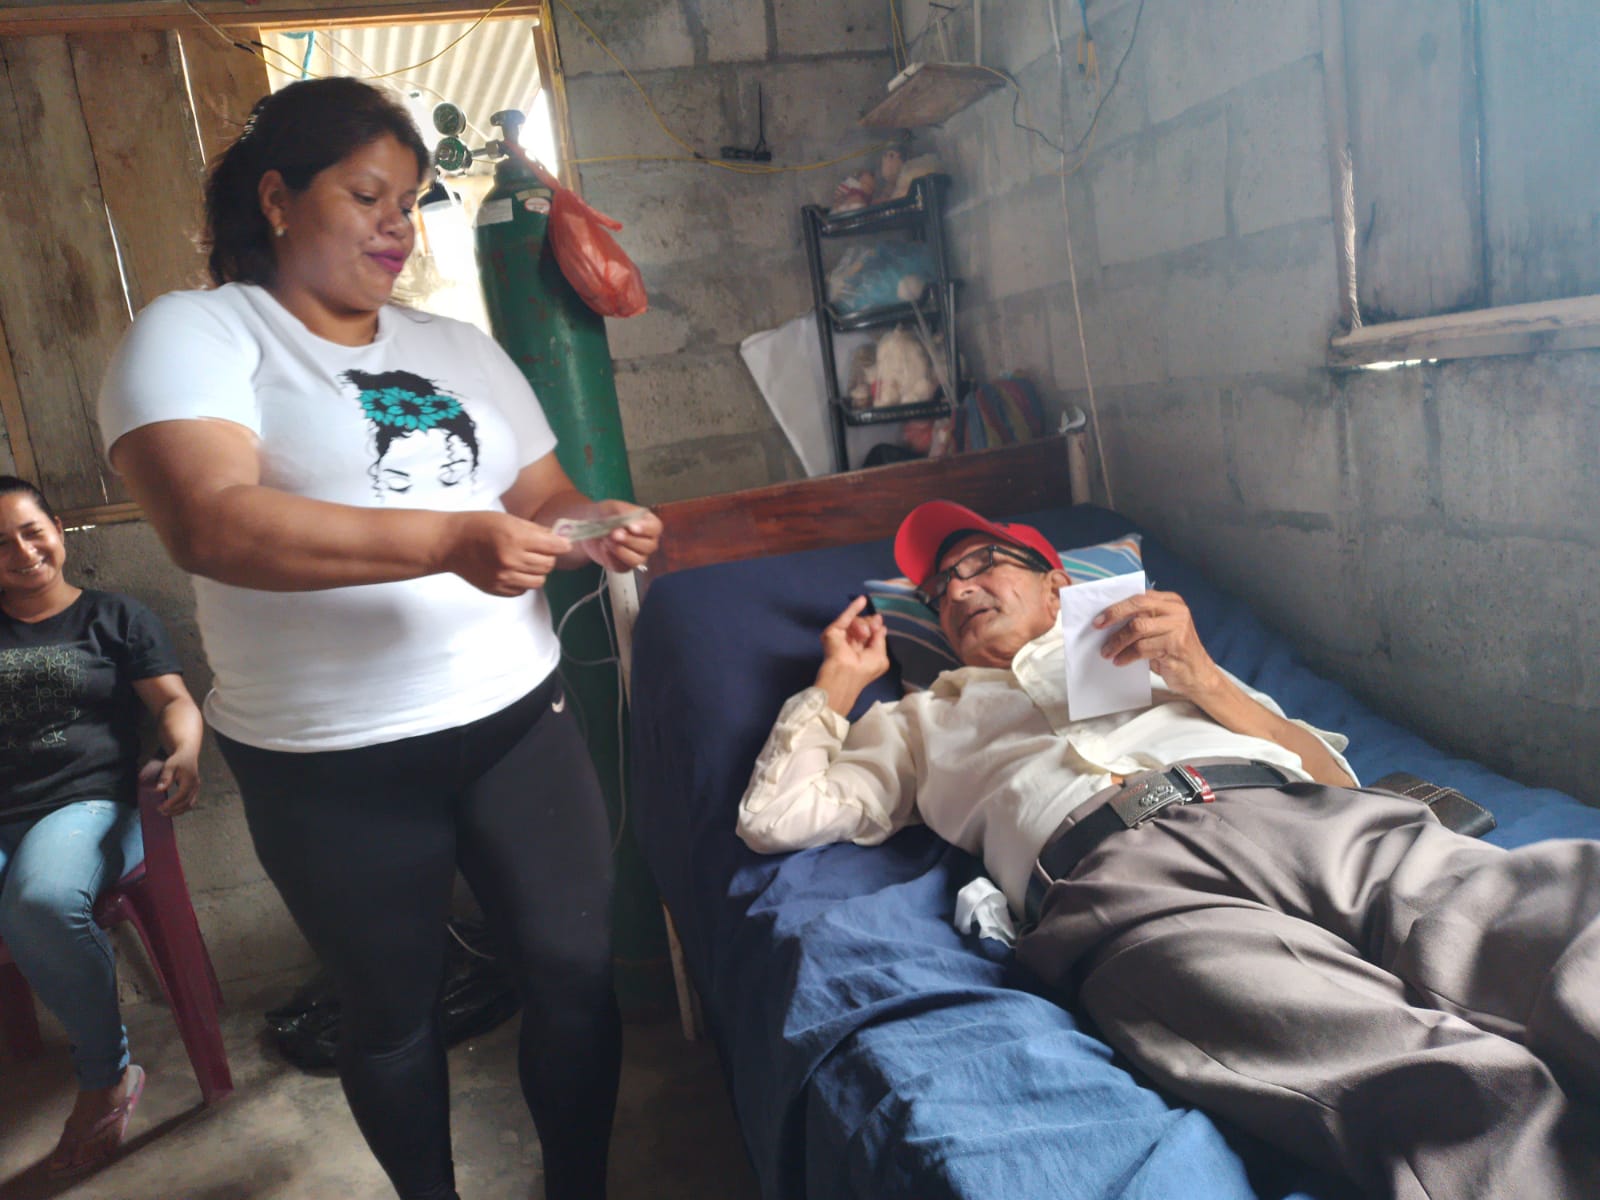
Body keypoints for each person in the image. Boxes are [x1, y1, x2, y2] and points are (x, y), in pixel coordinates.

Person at [96, 77, 660, 1200]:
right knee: (393, 1012)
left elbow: (540, 494)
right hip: (329, 758)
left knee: (572, 971)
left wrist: (590, 524)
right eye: (367, 197)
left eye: (408, 203)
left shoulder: (458, 348)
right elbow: (211, 522)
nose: (398, 227)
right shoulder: (199, 333)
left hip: (516, 718)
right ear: (276, 198)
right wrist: (447, 539)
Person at [737, 499, 1600, 1200]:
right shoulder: (918, 719)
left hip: (1298, 815)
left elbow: (1332, 773)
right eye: (939, 590)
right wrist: (836, 685)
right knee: (1425, 1084)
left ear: (1056, 583)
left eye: (983, 562)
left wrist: (1202, 677)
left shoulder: (1155, 653)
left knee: (1561, 919)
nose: (959, 590)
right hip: (1128, 892)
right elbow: (775, 816)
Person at [0, 476, 203, 1177]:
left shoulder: (114, 617)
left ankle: (107, 1076)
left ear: (58, 529)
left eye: (31, 531)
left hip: (86, 806)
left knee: (43, 902)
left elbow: (173, 701)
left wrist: (184, 751)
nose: (23, 552)